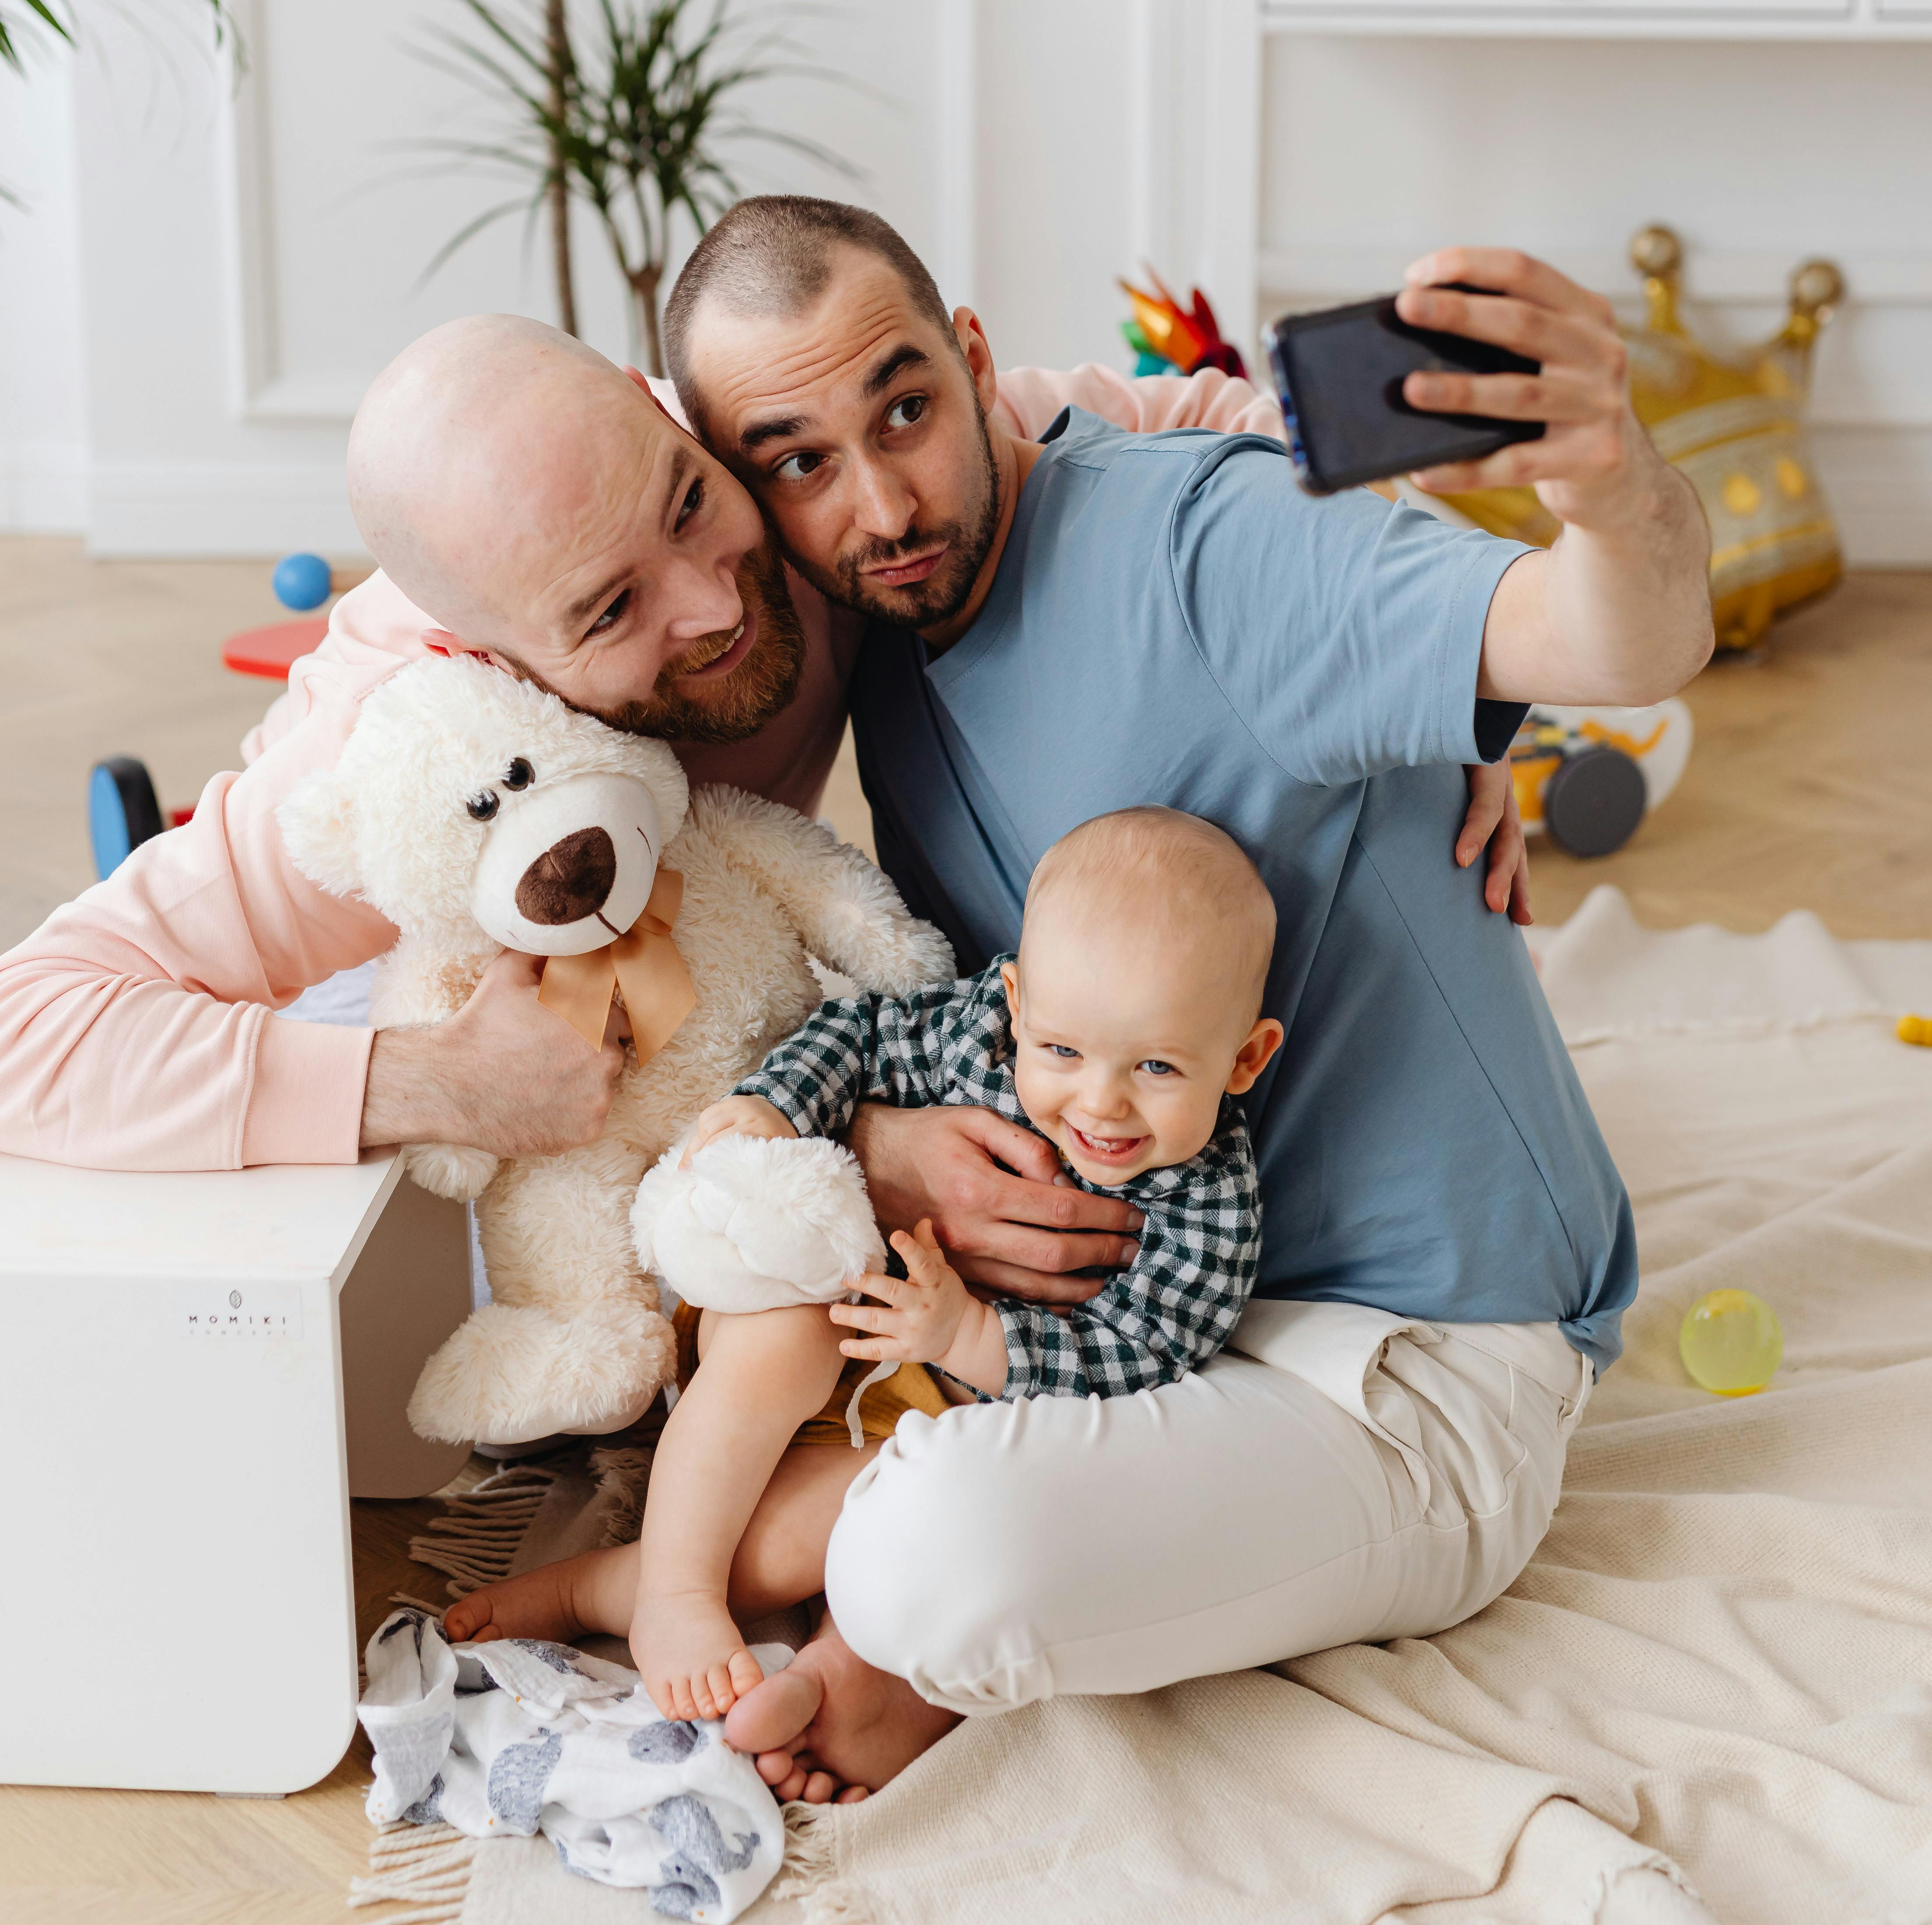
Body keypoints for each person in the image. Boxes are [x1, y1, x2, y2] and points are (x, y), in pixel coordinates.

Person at [630, 197, 1714, 1803]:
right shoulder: (885, 662)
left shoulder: (1206, 547)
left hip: (1409, 1358)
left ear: (974, 363)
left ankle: (917, 1651)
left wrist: (1609, 483)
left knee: (917, 1554)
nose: (878, 502)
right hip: (1143, 1331)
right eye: (794, 461)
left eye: (907, 411)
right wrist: (888, 1139)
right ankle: (876, 1615)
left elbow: (1615, 633)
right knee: (758, 1458)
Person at [0, 320, 1519, 1173]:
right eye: (611, 608)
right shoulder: (390, 751)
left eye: (681, 500)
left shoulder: (784, 472)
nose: (720, 597)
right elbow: (27, 1034)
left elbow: (1188, 419)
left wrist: (1451, 698)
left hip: (728, 973)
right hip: (428, 975)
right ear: (496, 654)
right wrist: (424, 1081)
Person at [441, 806, 1281, 1743]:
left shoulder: (1209, 1204)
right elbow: (859, 1033)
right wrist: (775, 1107)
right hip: (821, 1326)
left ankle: (770, 1644)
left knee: (899, 1512)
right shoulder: (978, 1039)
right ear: (1015, 1004)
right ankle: (671, 1587)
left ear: (1245, 1058)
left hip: (942, 1417)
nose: (1100, 1102)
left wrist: (970, 1337)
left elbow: (1150, 1357)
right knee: (783, 1334)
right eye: (1063, 1052)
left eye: (1159, 1067)